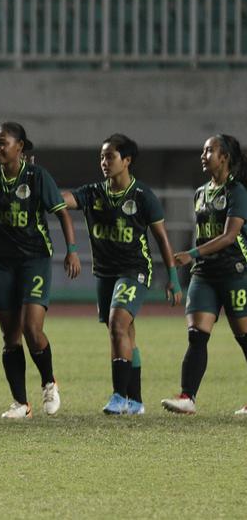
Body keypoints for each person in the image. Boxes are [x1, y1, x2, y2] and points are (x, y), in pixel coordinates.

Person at [63, 133, 179, 415]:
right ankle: (136, 401)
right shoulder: (93, 192)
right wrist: (41, 187)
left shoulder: (142, 196)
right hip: (105, 273)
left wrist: (173, 278)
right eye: (102, 156)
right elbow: (64, 199)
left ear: (126, 160)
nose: (104, 162)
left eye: (110, 156)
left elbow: (162, 239)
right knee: (124, 333)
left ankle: (118, 396)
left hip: (134, 270)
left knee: (117, 325)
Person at [0, 123, 80, 419]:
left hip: (35, 259)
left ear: (20, 146)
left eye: (2, 143)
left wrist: (72, 251)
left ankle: (49, 383)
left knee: (32, 328)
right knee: (10, 337)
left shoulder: (36, 176)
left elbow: (61, 212)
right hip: (0, 262)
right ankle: (21, 403)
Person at [163, 135, 247, 416]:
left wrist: (192, 253)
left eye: (209, 150)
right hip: (204, 274)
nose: (204, 154)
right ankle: (187, 397)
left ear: (224, 157)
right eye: (203, 150)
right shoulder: (200, 192)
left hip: (234, 271)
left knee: (244, 338)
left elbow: (230, 235)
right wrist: (195, 260)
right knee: (196, 336)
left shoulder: (237, 192)